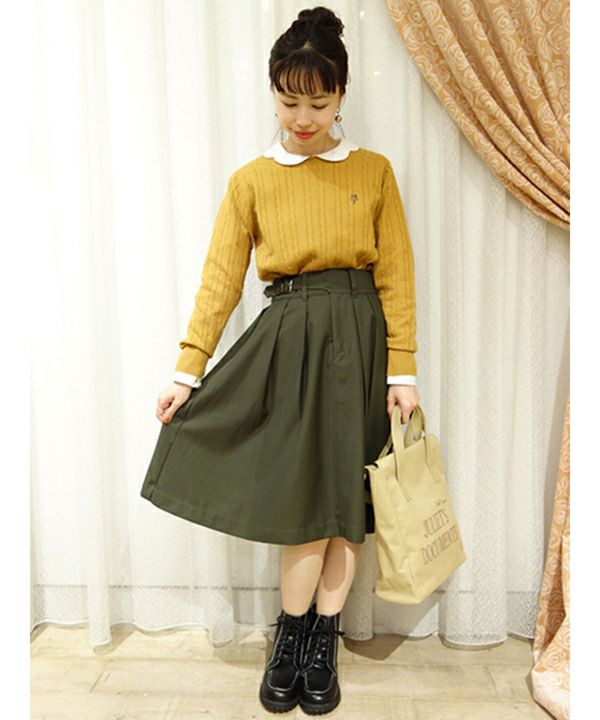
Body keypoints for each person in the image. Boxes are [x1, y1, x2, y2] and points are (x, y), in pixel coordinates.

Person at [140, 5, 420, 716]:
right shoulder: (252, 181)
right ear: (272, 93)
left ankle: (323, 641)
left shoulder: (374, 172)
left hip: (360, 342)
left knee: (347, 502)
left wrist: (403, 370)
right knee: (303, 505)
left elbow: (397, 275)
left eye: (318, 103)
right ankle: (289, 638)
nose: (303, 118)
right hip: (289, 343)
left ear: (342, 96)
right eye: (290, 101)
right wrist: (186, 372)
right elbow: (220, 280)